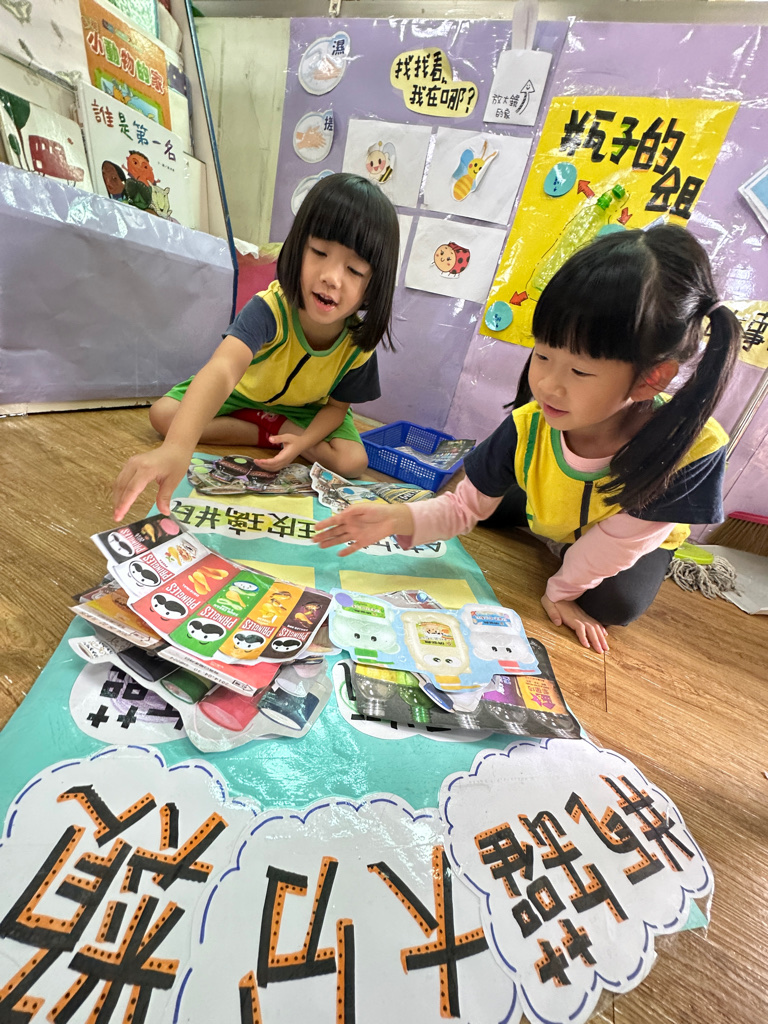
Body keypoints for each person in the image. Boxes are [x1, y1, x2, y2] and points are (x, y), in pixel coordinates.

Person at [314, 225, 742, 652]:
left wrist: (560, 591)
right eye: (542, 355)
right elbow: (463, 507)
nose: (548, 386)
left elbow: (616, 543)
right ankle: (548, 525)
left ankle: (561, 542)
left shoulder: (691, 448)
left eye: (579, 371)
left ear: (652, 378)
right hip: (554, 500)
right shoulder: (530, 423)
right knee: (473, 501)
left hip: (628, 530)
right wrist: (399, 519)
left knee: (614, 603)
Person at [113, 172, 400, 521]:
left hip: (307, 410)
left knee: (353, 461)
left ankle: (279, 429)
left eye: (354, 270)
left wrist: (305, 440)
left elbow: (337, 409)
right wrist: (176, 448)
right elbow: (223, 369)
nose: (331, 277)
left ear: (374, 285)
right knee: (163, 416)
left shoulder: (358, 343)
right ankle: (270, 428)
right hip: (243, 395)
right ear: (298, 248)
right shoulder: (270, 308)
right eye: (319, 252)